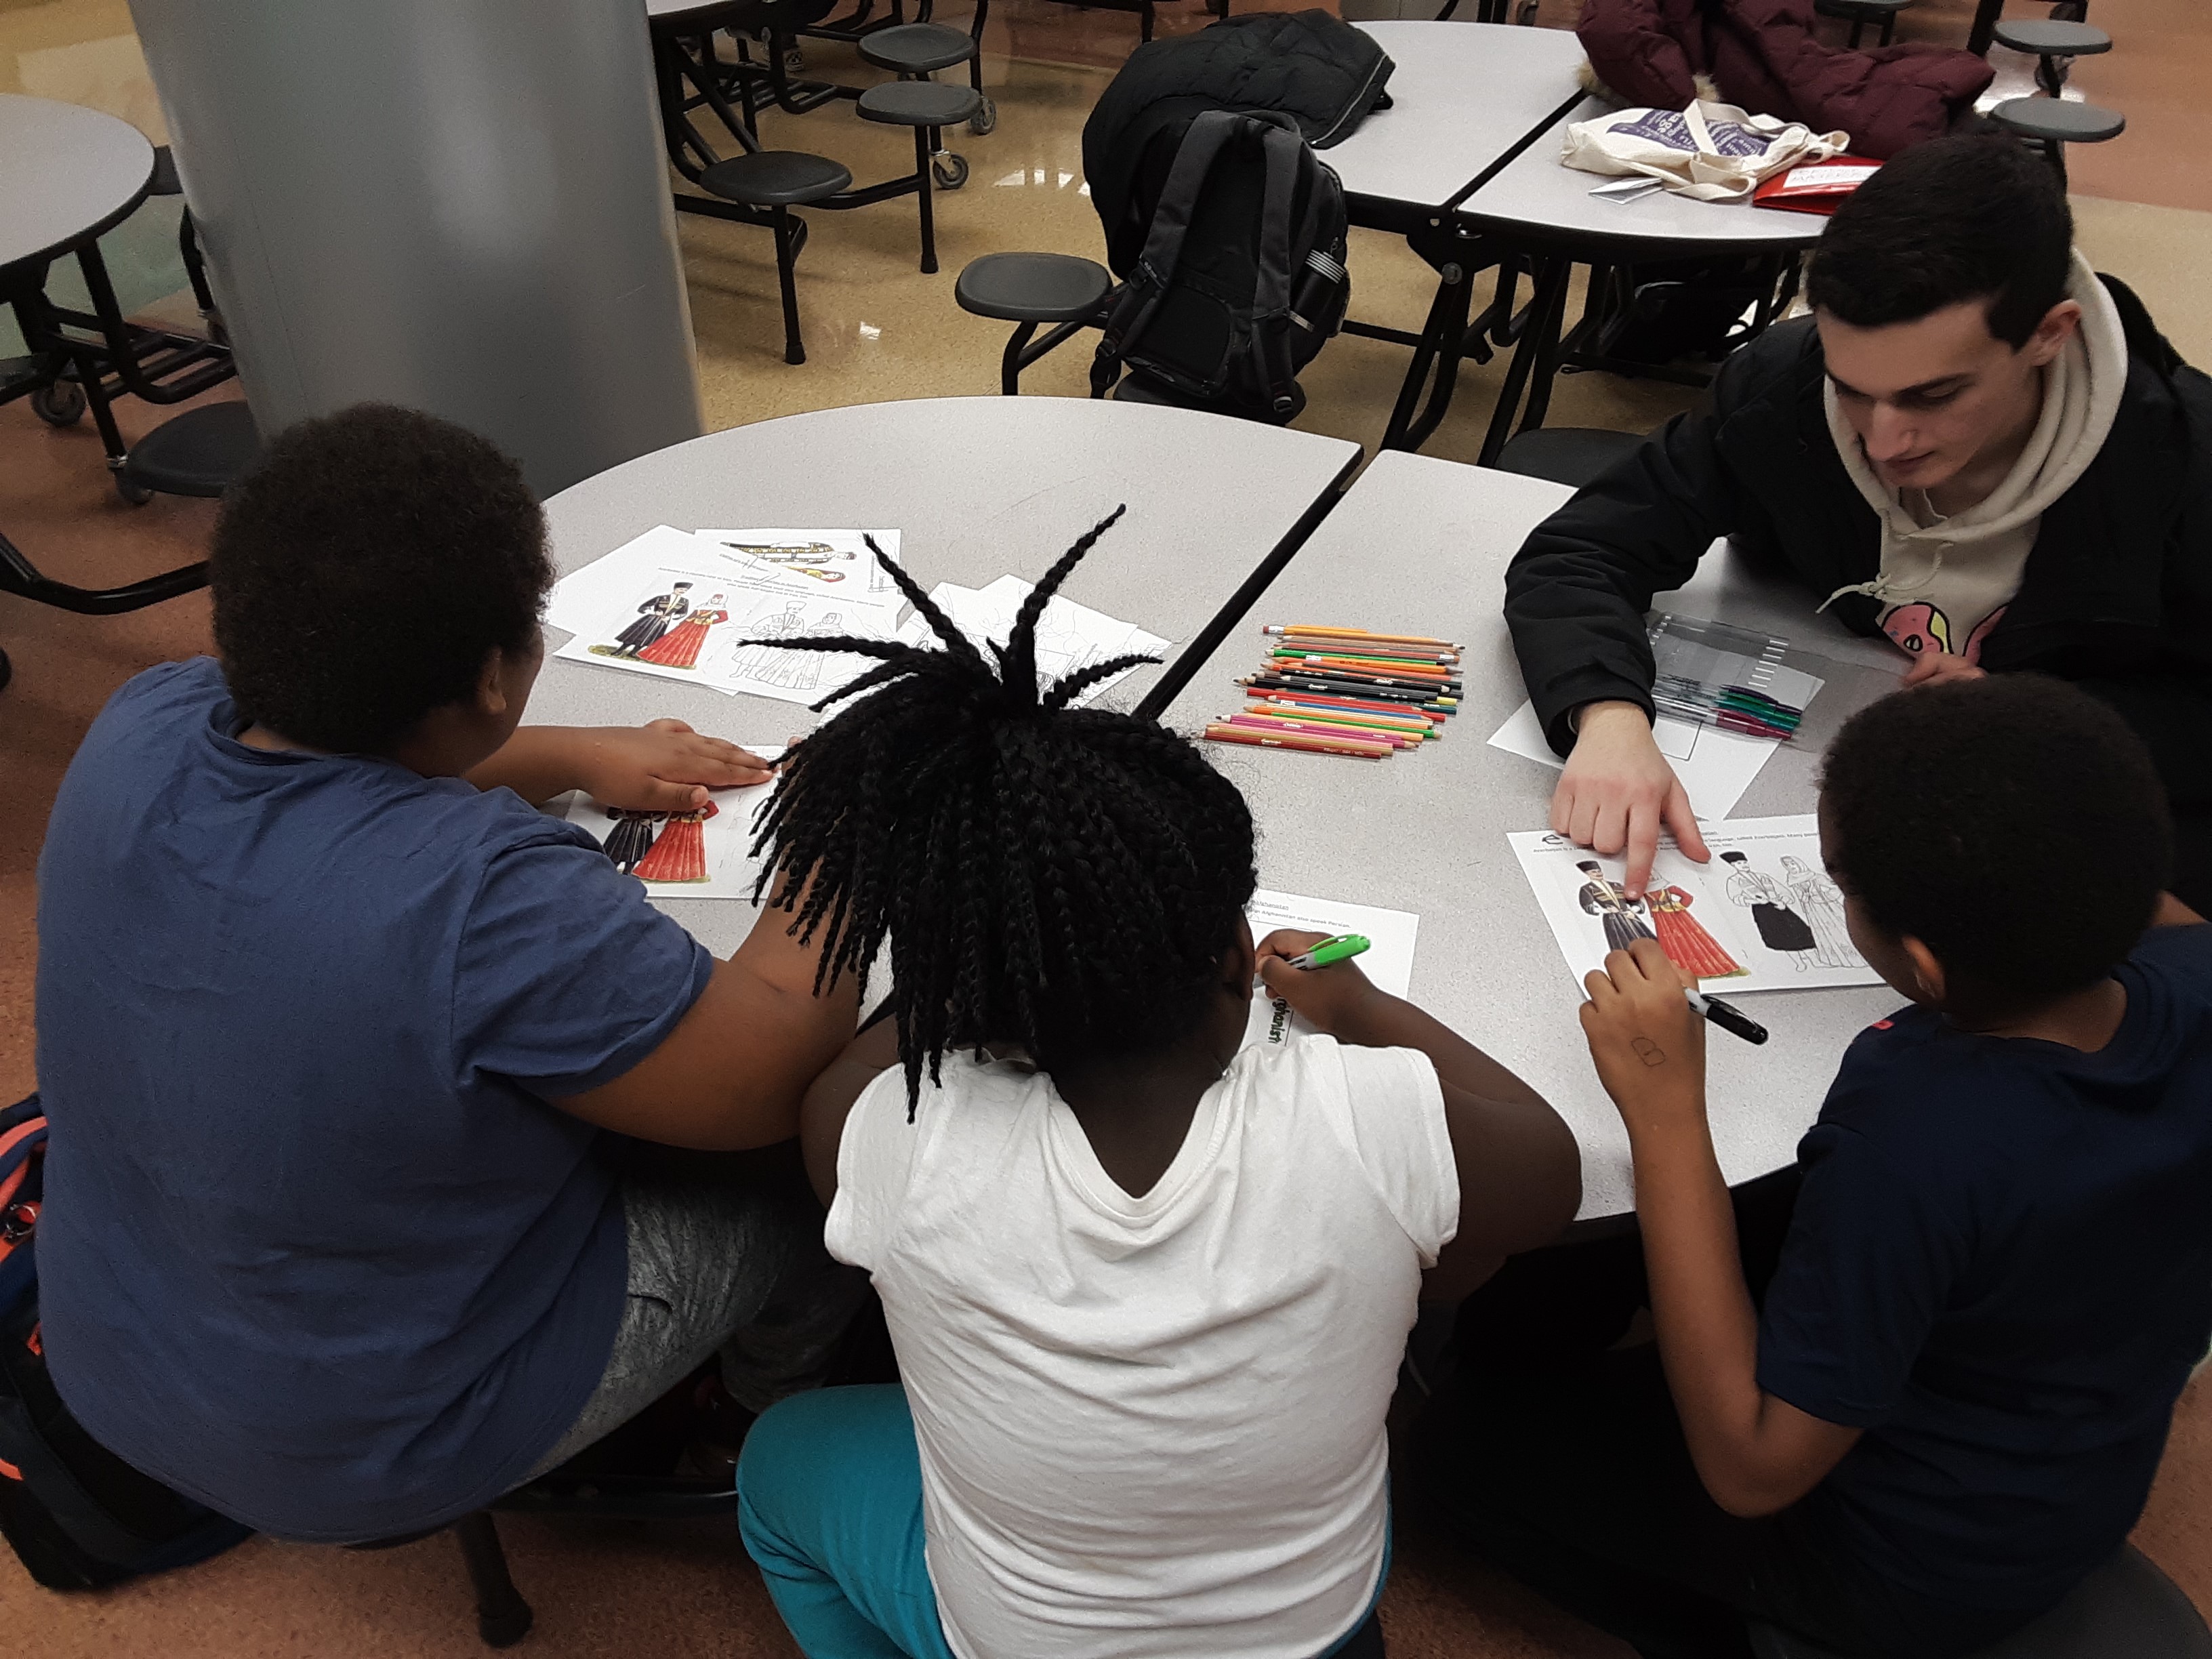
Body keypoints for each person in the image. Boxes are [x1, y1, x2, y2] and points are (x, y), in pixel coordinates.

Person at [729, 518, 1583, 1658]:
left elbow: (837, 1090)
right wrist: (1359, 1004)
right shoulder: (1363, 1112)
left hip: (1028, 1636)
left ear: (973, 1010)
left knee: (777, 1463)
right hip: (1312, 1615)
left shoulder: (892, 1135)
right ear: (1236, 952)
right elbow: (1549, 1166)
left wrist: (954, 971)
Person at [33, 405, 863, 1545]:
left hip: (111, 1350)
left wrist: (573, 750)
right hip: (376, 1444)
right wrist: (850, 823)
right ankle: (776, 1423)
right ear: (490, 674)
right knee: (812, 1152)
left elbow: (337, 760)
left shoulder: (145, 718)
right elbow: (763, 1062)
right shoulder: (485, 893)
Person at [1418, 675, 2212, 1658]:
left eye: (1836, 881)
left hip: (1897, 1563)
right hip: (2080, 1477)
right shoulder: (2192, 964)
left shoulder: (1919, 1121)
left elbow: (1751, 1467)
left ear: (1923, 967)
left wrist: (1667, 1109)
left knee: (1455, 1440)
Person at [1504, 134, 2212, 910]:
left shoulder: (2180, 464)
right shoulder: (1785, 386)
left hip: (2060, 830)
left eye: (1933, 397)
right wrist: (1607, 714)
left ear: (2050, 334)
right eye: (1852, 390)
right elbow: (1581, 550)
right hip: (1822, 776)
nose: (1881, 442)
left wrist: (2037, 721)